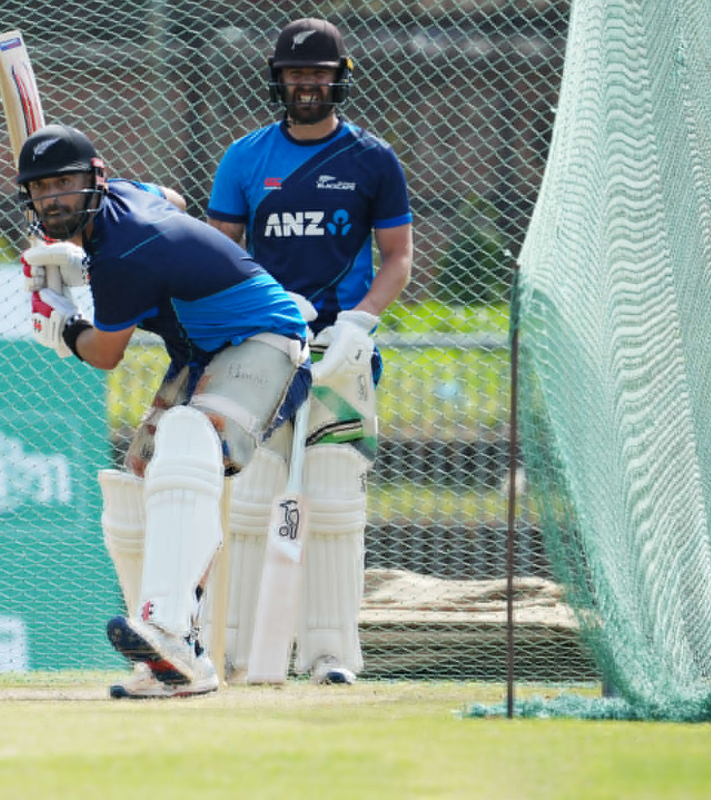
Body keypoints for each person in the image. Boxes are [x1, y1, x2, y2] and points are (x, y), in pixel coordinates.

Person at [14, 123, 311, 698]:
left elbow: (105, 354)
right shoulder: (126, 199)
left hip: (264, 339)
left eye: (64, 183)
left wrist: (62, 320)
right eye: (41, 187)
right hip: (200, 352)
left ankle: (171, 630)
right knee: (135, 490)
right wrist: (79, 260)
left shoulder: (124, 253)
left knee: (188, 433)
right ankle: (171, 661)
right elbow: (172, 201)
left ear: (94, 180)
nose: (52, 198)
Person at [205, 17, 414, 685]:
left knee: (332, 502)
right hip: (262, 348)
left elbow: (398, 258)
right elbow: (220, 256)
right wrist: (256, 316)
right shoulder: (244, 158)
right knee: (252, 497)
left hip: (339, 355)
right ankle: (236, 653)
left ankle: (330, 656)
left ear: (339, 78)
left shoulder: (372, 161)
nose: (307, 84)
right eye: (296, 74)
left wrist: (358, 323)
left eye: (319, 73)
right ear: (278, 80)